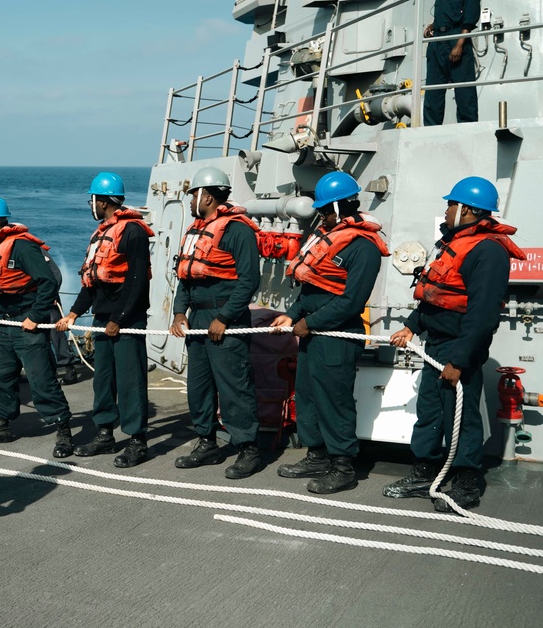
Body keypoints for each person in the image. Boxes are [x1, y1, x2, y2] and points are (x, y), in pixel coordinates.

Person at [385, 177, 524, 512]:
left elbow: (483, 314)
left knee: (459, 415)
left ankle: (465, 479)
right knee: (429, 411)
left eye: (450, 204)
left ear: (467, 209)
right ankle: (424, 471)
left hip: (460, 346)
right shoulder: (452, 243)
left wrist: (459, 359)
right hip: (436, 343)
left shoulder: (488, 251)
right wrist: (411, 326)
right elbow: (435, 296)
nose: (445, 210)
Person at [271, 171, 388, 494]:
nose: (320, 215)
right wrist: (292, 315)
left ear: (339, 206)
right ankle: (317, 454)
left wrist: (309, 323)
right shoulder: (326, 236)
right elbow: (311, 289)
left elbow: (352, 302)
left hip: (337, 336)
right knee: (308, 396)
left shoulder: (363, 248)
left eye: (324, 209)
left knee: (335, 400)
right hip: (313, 333)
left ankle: (343, 465)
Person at [167, 166, 263, 478]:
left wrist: (225, 318)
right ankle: (207, 442)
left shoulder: (239, 231)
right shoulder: (197, 231)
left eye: (193, 194)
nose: (191, 200)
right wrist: (180, 311)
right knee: (198, 386)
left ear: (206, 195)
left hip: (227, 319)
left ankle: (248, 447)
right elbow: (186, 276)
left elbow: (249, 281)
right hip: (198, 320)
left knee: (234, 386)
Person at [0, 197, 75, 459]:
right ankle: (2, 426)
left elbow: (48, 281)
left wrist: (35, 316)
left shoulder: (22, 248)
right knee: (2, 377)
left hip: (26, 325)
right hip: (5, 324)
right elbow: (1, 289)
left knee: (42, 381)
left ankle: (64, 431)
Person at [56, 172, 153, 468]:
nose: (92, 205)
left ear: (103, 201)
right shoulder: (101, 234)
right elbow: (92, 282)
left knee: (130, 381)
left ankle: (137, 441)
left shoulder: (133, 232)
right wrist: (74, 313)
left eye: (93, 200)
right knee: (104, 380)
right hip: (102, 319)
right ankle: (105, 434)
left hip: (126, 321)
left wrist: (119, 319)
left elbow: (137, 280)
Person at [422, 0, 481, 126]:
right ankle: (430, 130)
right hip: (437, 42)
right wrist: (432, 26)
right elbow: (446, 14)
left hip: (456, 39)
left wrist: (460, 45)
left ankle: (468, 128)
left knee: (464, 91)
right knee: (433, 92)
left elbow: (469, 19)